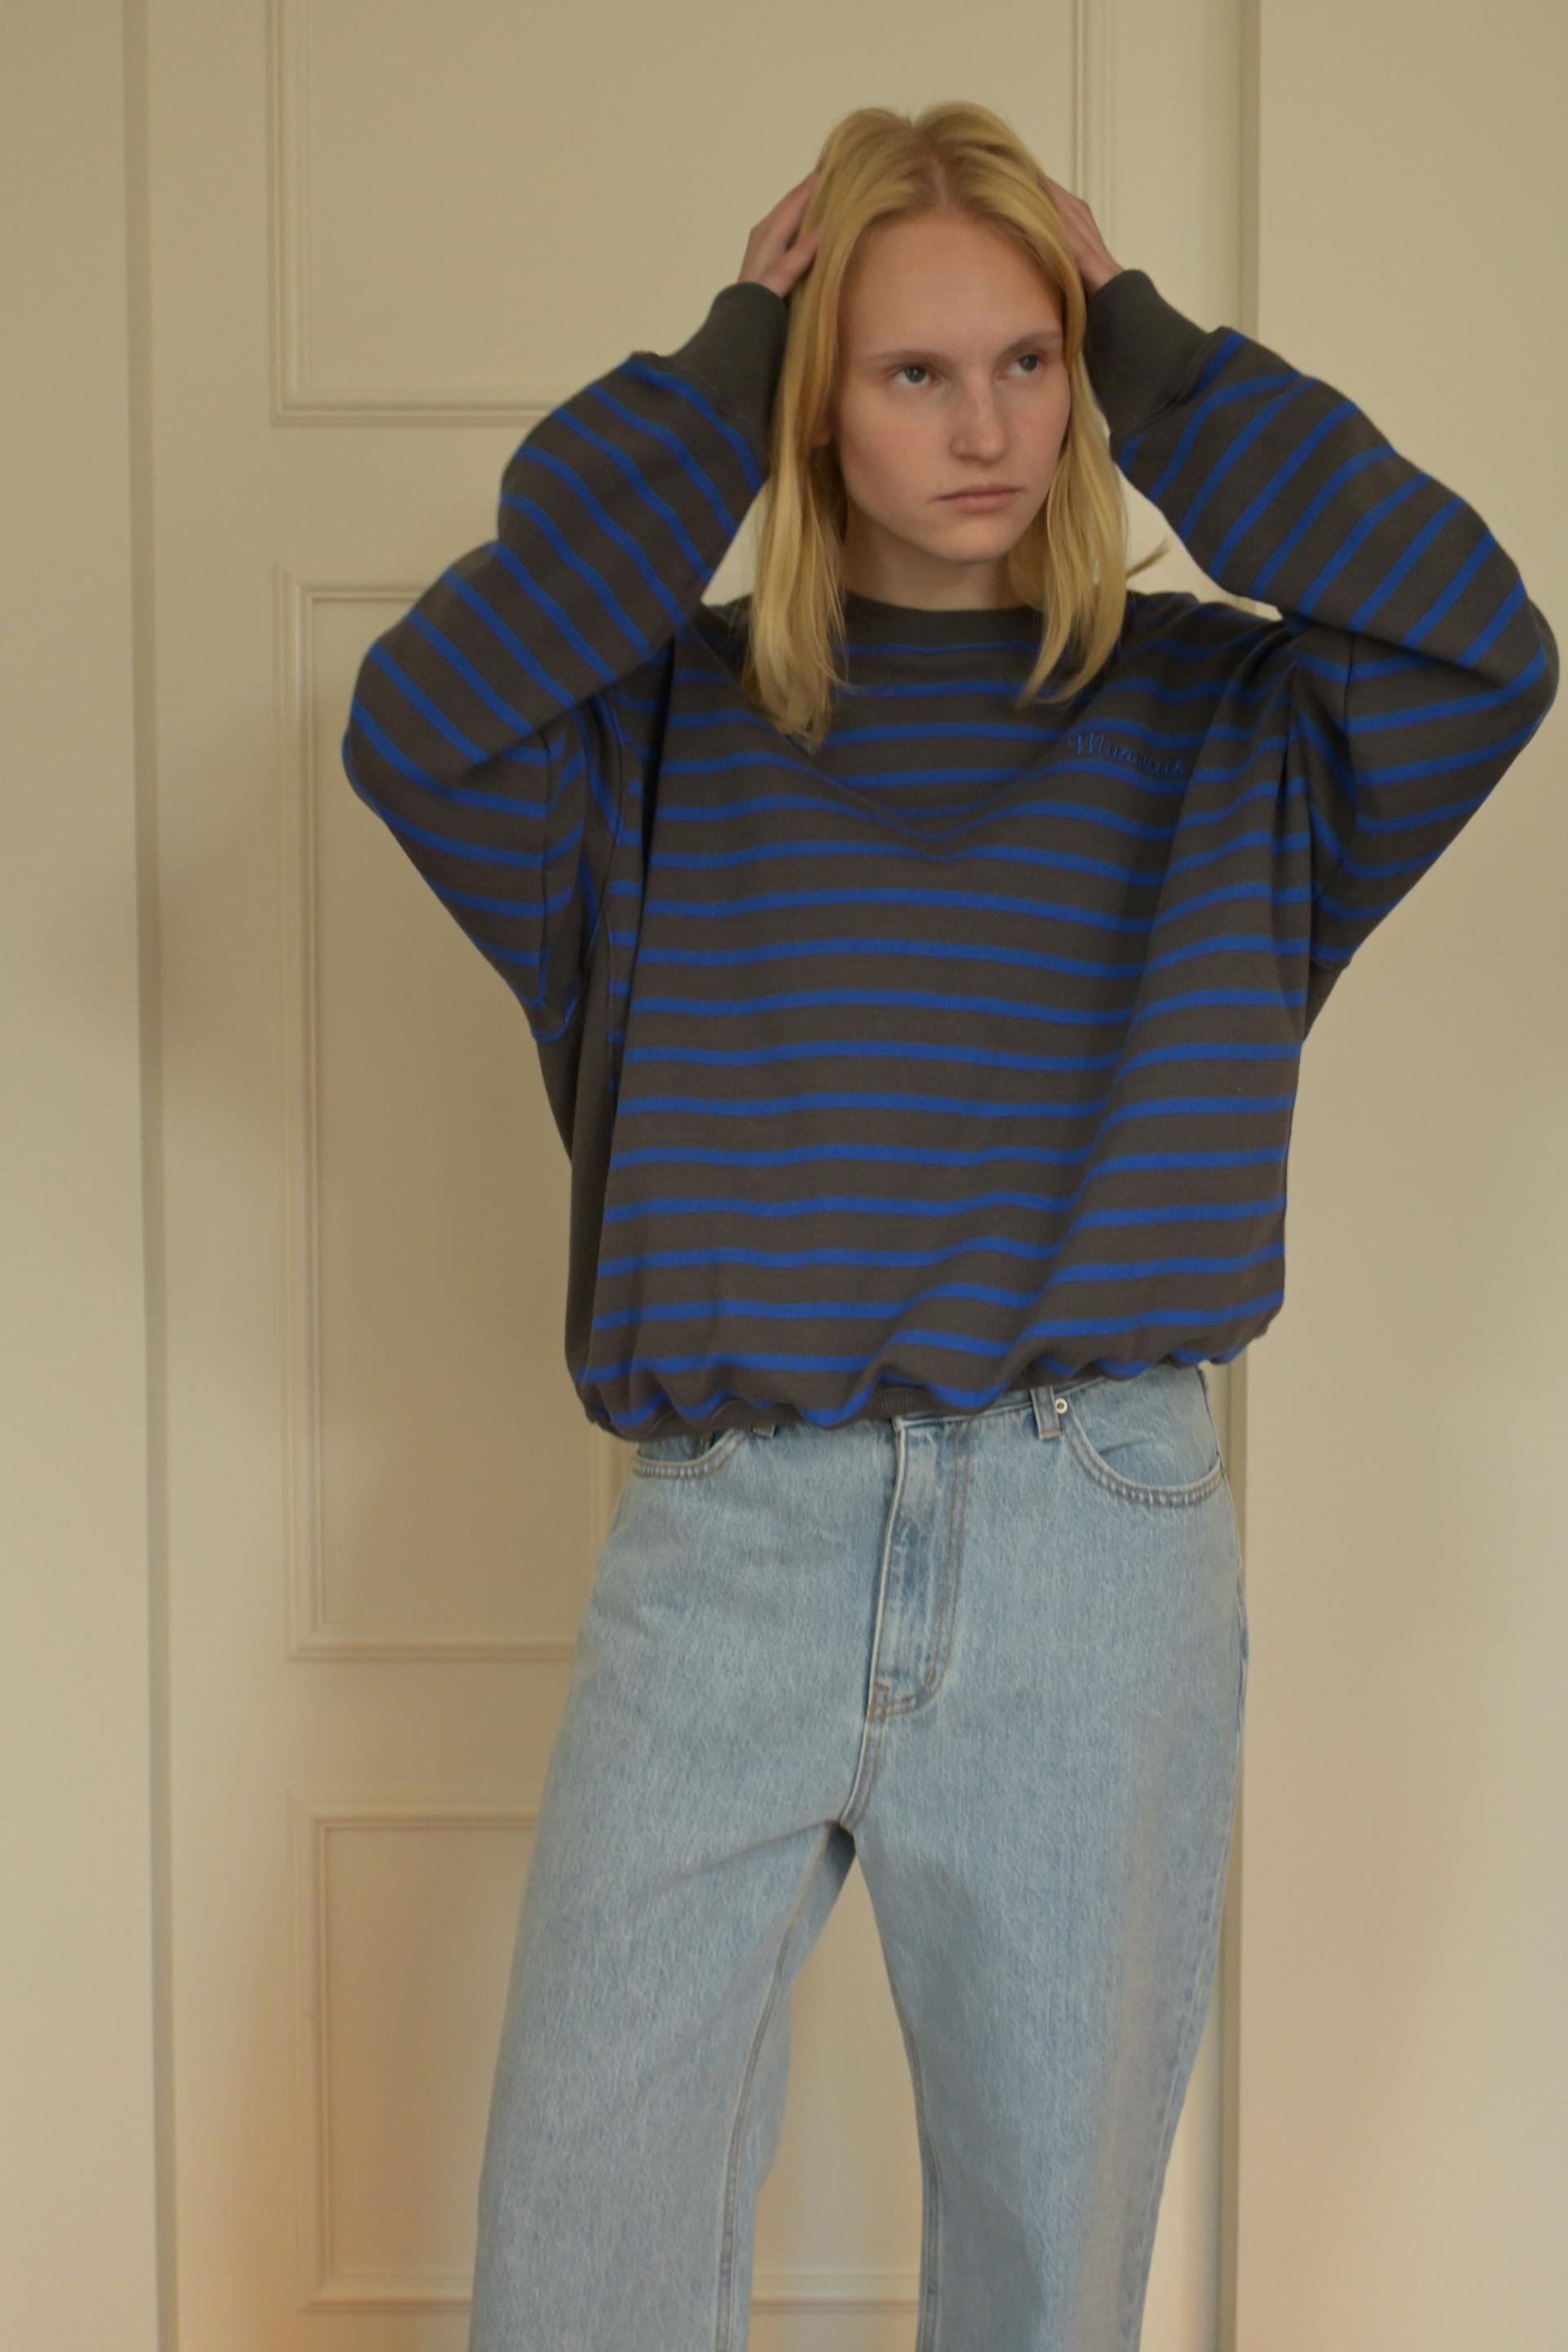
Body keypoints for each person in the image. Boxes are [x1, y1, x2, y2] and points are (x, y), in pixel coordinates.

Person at [341, 101, 1556, 2352]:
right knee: (583, 2245)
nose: (989, 428)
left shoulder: (1229, 730)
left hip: (1094, 1534)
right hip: (731, 1539)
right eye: (912, 371)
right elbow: (415, 720)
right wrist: (716, 378)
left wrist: (1161, 352)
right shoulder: (644, 745)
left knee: (1042, 2268)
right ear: (813, 403)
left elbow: (1487, 640)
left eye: (1032, 361)